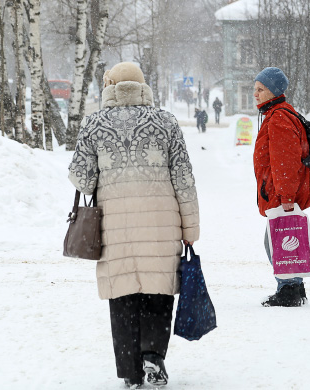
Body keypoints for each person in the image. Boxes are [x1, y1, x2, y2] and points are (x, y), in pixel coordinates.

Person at [68, 62, 200, 389]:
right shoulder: (166, 121)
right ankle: (153, 357)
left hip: (115, 229)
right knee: (158, 292)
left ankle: (130, 371)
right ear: (143, 86)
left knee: (123, 295)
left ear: (110, 86)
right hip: (162, 226)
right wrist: (191, 228)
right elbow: (184, 179)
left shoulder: (94, 123)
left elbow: (82, 180)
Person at [252, 67, 310, 307]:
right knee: (285, 237)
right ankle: (294, 286)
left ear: (274, 91)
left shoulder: (279, 117)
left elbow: (285, 162)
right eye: (255, 89)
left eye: (261, 89)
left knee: (278, 239)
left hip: (281, 194)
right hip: (278, 191)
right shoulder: (278, 113)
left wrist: (286, 196)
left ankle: (289, 289)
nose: (256, 94)